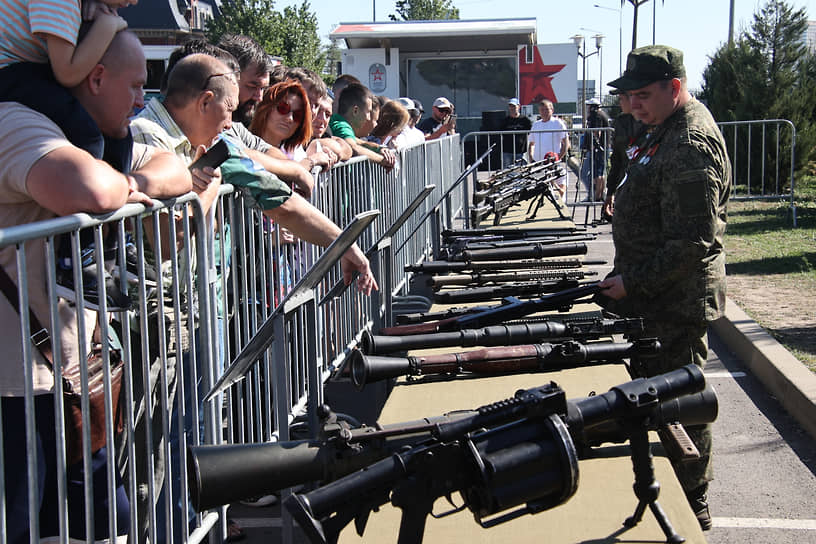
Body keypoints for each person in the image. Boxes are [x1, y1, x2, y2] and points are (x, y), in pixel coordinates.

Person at [0, 29, 191, 543]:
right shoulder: (16, 120)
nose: (141, 100)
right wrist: (125, 186)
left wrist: (134, 182)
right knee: (30, 526)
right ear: (95, 77)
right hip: (18, 387)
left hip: (72, 376)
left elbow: (176, 169)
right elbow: (90, 189)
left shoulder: (101, 135)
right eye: (135, 85)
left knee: (107, 521)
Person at [597, 45, 731, 531]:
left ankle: (693, 498)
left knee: (683, 403)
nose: (633, 105)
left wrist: (633, 280)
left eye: (643, 94)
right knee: (651, 398)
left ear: (675, 88)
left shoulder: (689, 144)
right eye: (627, 96)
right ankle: (666, 481)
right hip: (648, 296)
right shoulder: (658, 126)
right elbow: (628, 151)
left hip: (675, 301)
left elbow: (693, 241)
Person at [0, 0, 135, 158]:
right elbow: (68, 74)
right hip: (11, 72)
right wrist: (107, 25)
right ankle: (90, 180)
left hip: (30, 68)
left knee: (116, 129)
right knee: (86, 135)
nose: (133, 2)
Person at [328, 82, 396, 170]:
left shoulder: (338, 122)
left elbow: (360, 143)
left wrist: (379, 149)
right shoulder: (342, 126)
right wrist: (383, 161)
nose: (368, 118)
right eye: (368, 112)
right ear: (355, 111)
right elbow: (353, 147)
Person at [604, 88, 645, 218]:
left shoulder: (650, 122)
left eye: (621, 99)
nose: (619, 103)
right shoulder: (621, 122)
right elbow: (616, 160)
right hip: (624, 185)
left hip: (644, 186)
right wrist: (610, 192)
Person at [528, 99, 569, 198]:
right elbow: (531, 143)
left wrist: (558, 157)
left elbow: (566, 143)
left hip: (553, 162)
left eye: (546, 109)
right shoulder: (536, 125)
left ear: (552, 110)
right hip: (539, 164)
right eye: (542, 110)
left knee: (559, 187)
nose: (544, 112)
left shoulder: (558, 123)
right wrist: (531, 158)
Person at [580, 97, 611, 202]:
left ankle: (595, 195)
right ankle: (598, 195)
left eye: (589, 106)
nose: (588, 108)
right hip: (602, 148)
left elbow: (597, 131)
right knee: (599, 172)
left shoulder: (596, 116)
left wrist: (594, 145)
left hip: (597, 149)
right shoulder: (601, 115)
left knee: (593, 173)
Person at [500, 98, 532, 168]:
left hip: (521, 151)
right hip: (507, 151)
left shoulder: (525, 120)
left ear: (519, 106)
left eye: (514, 106)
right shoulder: (505, 121)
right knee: (506, 172)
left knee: (521, 171)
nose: (512, 108)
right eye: (510, 106)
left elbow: (530, 132)